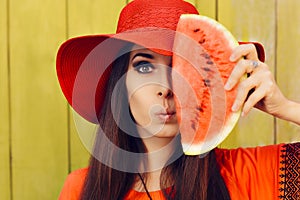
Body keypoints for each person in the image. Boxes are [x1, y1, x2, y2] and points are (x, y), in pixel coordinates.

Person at [56, 0, 300, 199]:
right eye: (143, 67)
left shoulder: (248, 173)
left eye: (181, 66)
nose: (165, 87)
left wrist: (286, 108)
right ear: (121, 86)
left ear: (204, 83)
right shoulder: (80, 189)